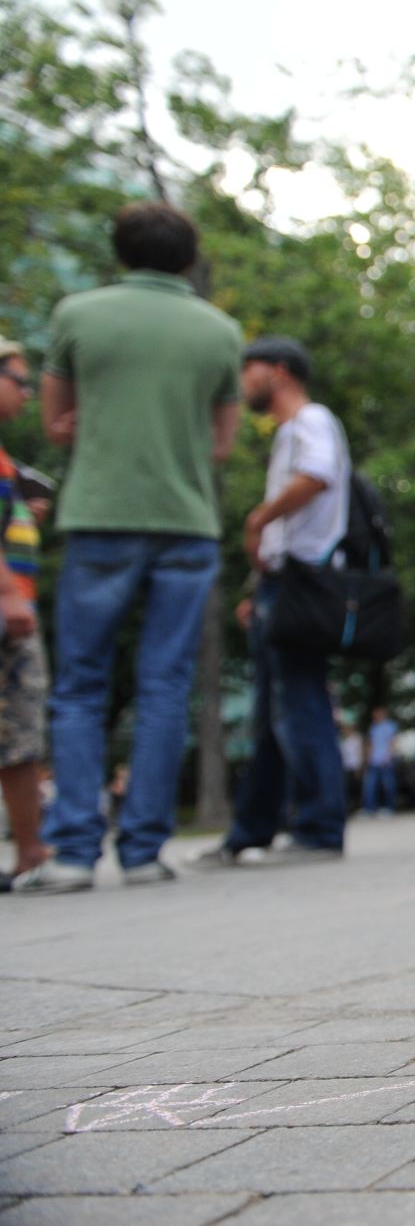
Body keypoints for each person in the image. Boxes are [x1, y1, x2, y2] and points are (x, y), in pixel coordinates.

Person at [19, 204, 242, 894]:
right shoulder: (221, 331)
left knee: (82, 685)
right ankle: (144, 849)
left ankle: (76, 852)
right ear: (186, 258)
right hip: (185, 521)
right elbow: (222, 445)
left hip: (102, 515)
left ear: (120, 252)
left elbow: (56, 425)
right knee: (165, 684)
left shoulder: (77, 314)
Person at [198, 337, 351, 866]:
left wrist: (260, 518)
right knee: (271, 709)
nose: (244, 383)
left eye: (251, 370)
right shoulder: (291, 430)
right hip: (280, 582)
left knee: (300, 701)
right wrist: (255, 591)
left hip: (302, 581)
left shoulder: (311, 421)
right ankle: (251, 831)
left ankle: (320, 826)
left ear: (280, 372)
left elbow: (319, 476)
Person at [0, 339, 51, 891]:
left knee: (17, 733)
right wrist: (9, 593)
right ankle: (32, 851)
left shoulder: (6, 460)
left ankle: (30, 851)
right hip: (7, 606)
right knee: (18, 726)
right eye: (18, 379)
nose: (26, 392)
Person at [362, 706, 398, 817]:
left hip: (385, 761)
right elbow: (371, 744)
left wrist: (388, 756)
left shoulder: (390, 726)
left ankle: (390, 808)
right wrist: (368, 758)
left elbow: (392, 742)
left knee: (388, 785)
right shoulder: (373, 727)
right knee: (370, 786)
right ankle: (370, 809)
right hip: (374, 761)